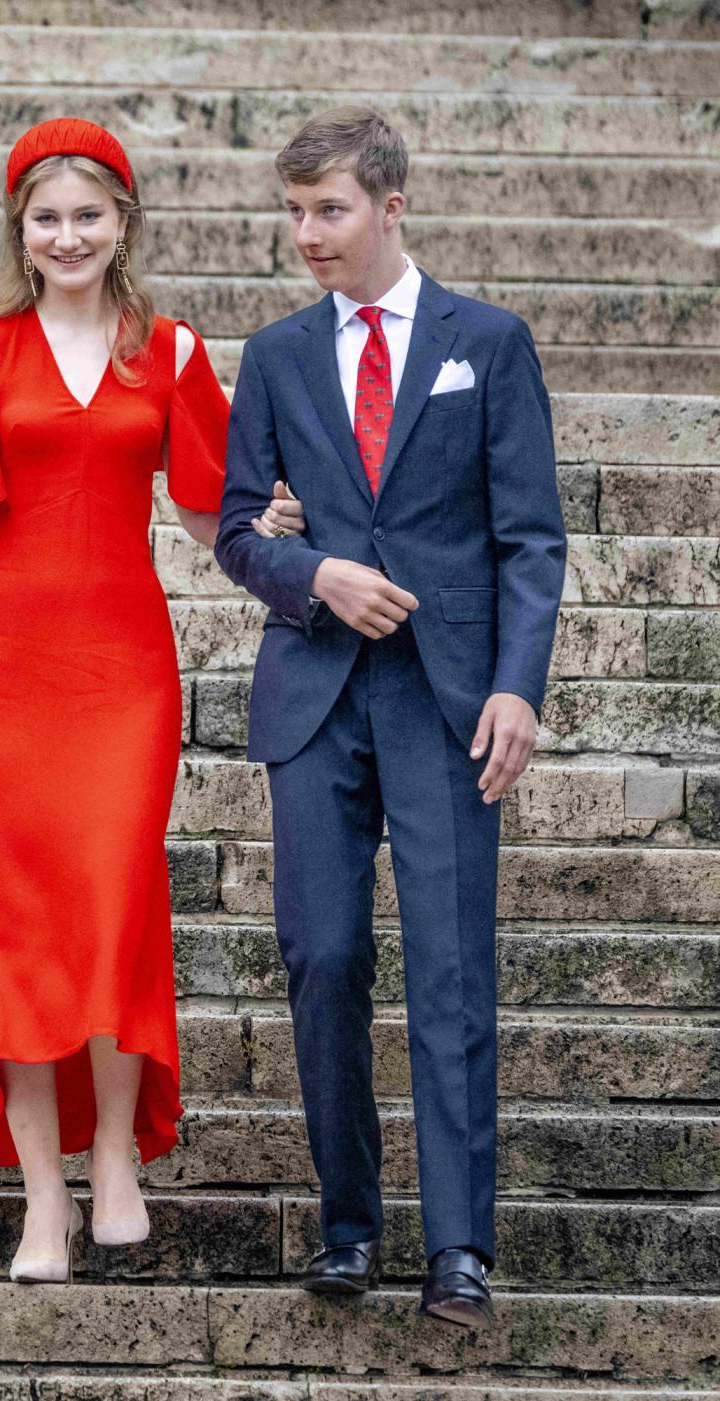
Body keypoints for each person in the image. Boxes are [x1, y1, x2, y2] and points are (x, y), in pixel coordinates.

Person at [0, 117, 303, 1285]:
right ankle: (42, 1203)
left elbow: (212, 507)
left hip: (122, 668)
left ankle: (115, 1152)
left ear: (123, 223)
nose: (67, 234)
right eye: (45, 216)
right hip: (10, 664)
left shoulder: (165, 350)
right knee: (14, 921)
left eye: (88, 214)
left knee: (114, 899)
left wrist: (280, 529)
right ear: (21, 229)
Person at [214, 106, 567, 1328]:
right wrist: (311, 574)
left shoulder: (491, 344)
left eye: (331, 211)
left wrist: (518, 683)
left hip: (450, 698)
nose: (308, 234)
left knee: (452, 969)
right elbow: (231, 528)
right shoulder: (273, 358)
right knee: (322, 960)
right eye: (296, 212)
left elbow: (530, 535)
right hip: (315, 697)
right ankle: (349, 1228)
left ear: (391, 206)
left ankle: (460, 1248)